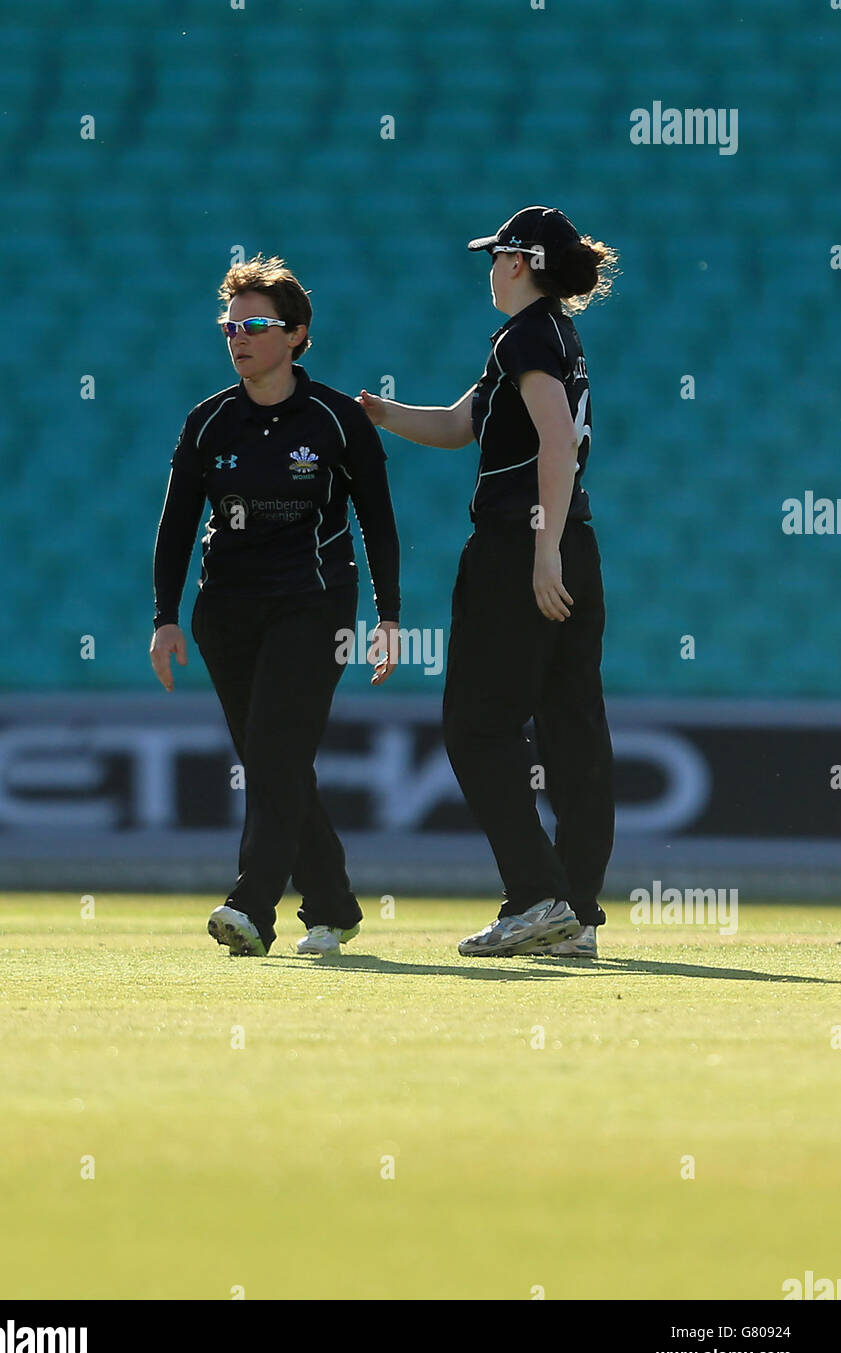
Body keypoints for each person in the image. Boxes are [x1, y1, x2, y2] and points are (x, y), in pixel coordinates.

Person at [359, 206, 618, 960]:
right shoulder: (549, 337)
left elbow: (555, 439)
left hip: (520, 548)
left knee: (476, 727)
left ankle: (538, 900)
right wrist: (380, 414)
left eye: (494, 255)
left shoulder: (525, 336)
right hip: (573, 541)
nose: (487, 268)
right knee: (572, 728)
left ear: (518, 261)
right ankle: (574, 914)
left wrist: (540, 552)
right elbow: (455, 424)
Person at [151, 254, 401, 958]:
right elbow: (174, 526)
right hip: (225, 610)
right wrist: (165, 619)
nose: (238, 337)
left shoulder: (335, 420)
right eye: (230, 326)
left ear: (295, 335)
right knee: (274, 763)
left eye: (255, 325)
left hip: (313, 604)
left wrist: (388, 617)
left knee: (274, 756)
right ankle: (332, 903)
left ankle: (250, 907)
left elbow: (377, 520)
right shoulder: (208, 422)